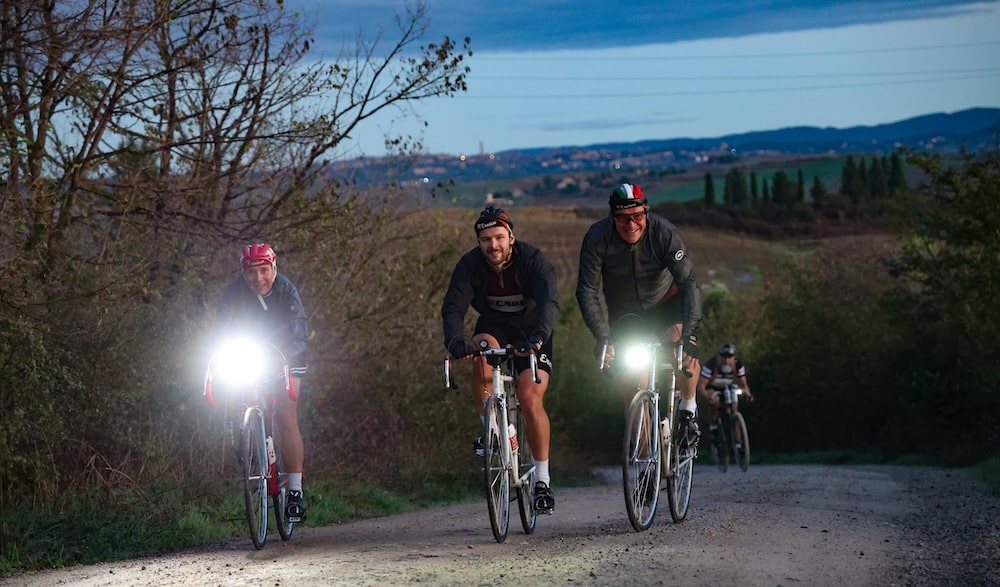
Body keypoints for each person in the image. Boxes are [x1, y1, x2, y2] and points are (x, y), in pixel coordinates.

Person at [441, 206, 559, 514]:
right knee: (480, 354)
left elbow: (549, 302)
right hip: (492, 326)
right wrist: (454, 341)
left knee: (530, 399)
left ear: (511, 237)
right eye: (485, 240)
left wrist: (537, 339)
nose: (492, 245)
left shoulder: (532, 260)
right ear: (478, 242)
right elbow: (453, 306)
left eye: (498, 238)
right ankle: (492, 430)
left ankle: (542, 481)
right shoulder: (469, 265)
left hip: (532, 330)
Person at [576, 183, 703, 445]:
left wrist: (689, 334)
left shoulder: (664, 233)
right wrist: (603, 337)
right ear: (612, 218)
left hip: (667, 303)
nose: (631, 224)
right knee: (632, 387)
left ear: (646, 212)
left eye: (637, 216)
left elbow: (689, 282)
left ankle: (688, 410)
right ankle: (644, 466)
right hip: (626, 313)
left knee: (679, 349)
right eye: (623, 218)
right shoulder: (597, 237)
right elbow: (587, 290)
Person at [215, 243, 309, 522]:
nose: (259, 279)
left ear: (274, 268)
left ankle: (294, 492)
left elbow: (299, 330)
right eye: (252, 273)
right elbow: (222, 328)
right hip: (251, 352)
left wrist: (287, 357)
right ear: (243, 274)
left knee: (286, 414)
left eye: (264, 271)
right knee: (234, 386)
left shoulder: (286, 290)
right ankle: (246, 435)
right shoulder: (233, 292)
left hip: (286, 353)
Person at [698, 343, 754, 448]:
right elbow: (701, 386)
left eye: (729, 357)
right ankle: (714, 427)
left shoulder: (738, 365)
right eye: (724, 357)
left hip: (729, 388)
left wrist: (748, 394)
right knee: (715, 402)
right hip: (713, 388)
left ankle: (739, 443)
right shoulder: (711, 365)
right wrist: (708, 397)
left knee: (734, 409)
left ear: (733, 357)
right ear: (719, 356)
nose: (726, 360)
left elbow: (744, 384)